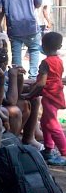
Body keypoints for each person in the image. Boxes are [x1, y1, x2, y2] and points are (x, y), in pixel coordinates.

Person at [23, 32, 66, 165]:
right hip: (56, 94)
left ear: (44, 45)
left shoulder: (45, 63)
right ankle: (48, 149)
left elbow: (42, 83)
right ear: (59, 46)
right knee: (45, 122)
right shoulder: (58, 60)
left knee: (52, 125)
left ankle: (64, 153)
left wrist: (30, 95)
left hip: (49, 96)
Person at [0, 0, 42, 79]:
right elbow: (38, 4)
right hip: (31, 27)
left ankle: (17, 78)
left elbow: (0, 11)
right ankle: (33, 77)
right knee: (34, 50)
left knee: (16, 53)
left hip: (13, 28)